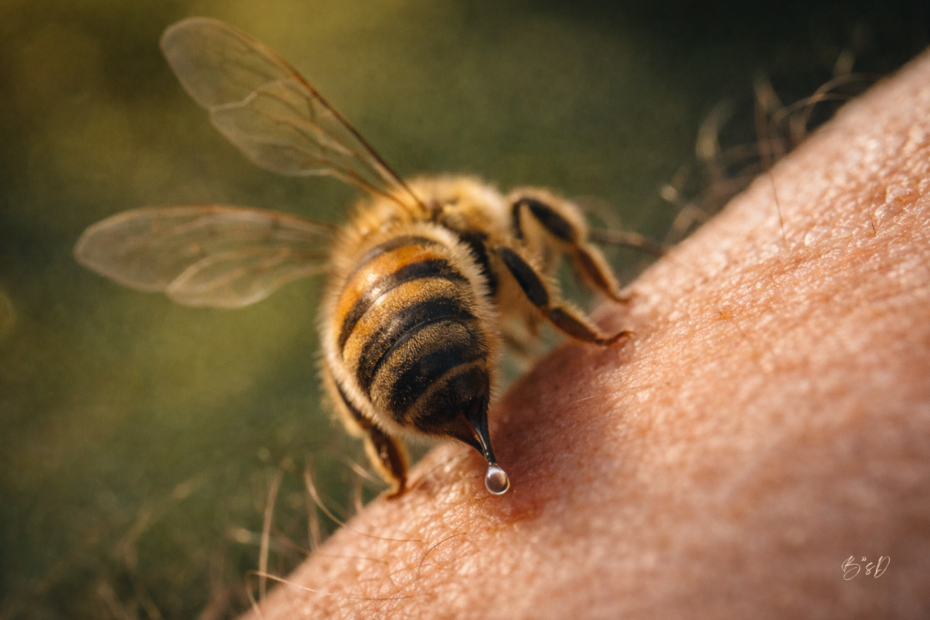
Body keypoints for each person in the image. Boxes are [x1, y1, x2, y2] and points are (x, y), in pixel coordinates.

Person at [244, 50, 930, 619]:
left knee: (345, 329)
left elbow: (348, 352)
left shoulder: (367, 258)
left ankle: (394, 474)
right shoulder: (479, 223)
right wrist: (600, 316)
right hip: (436, 321)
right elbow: (508, 247)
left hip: (388, 378)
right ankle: (585, 327)